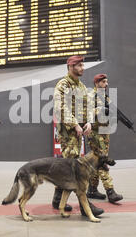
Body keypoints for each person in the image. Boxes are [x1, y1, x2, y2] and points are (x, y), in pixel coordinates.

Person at [53, 55, 104, 217]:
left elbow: (88, 107)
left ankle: (57, 199)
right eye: (80, 65)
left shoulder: (81, 86)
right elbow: (60, 107)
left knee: (68, 166)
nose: (83, 68)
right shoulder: (63, 84)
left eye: (83, 65)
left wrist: (89, 122)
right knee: (74, 168)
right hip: (68, 132)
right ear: (71, 66)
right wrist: (75, 124)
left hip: (80, 131)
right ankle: (85, 206)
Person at [87, 74, 123, 203]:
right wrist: (103, 111)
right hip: (96, 134)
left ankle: (91, 190)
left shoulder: (106, 97)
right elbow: (88, 114)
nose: (106, 84)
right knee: (102, 161)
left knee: (97, 162)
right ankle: (110, 191)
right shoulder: (91, 96)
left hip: (105, 133)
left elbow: (111, 112)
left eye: (107, 82)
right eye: (103, 82)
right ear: (96, 83)